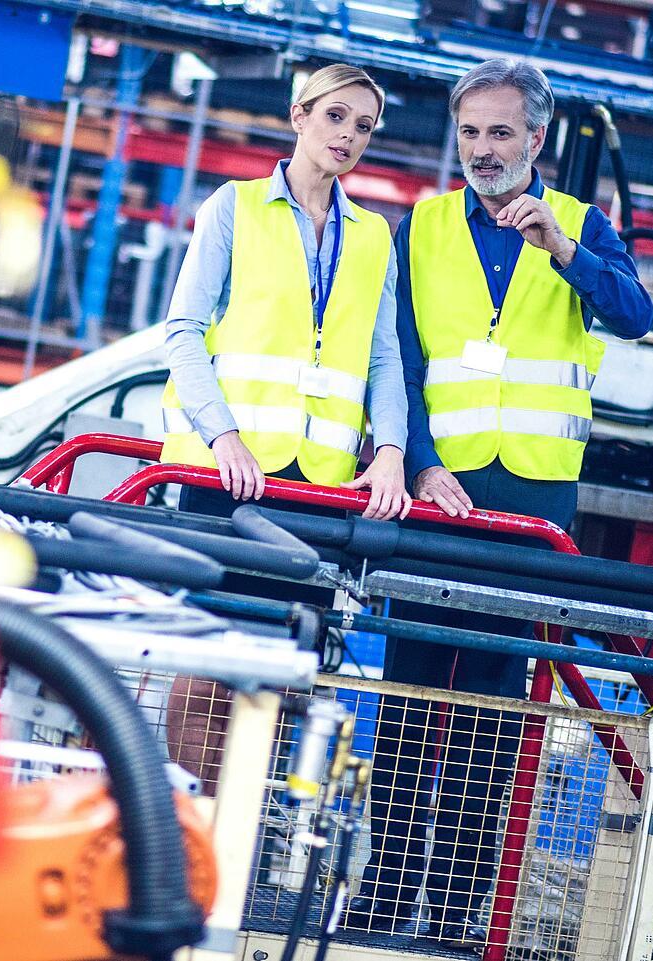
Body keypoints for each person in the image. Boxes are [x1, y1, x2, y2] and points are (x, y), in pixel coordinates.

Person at [349, 59, 653, 949]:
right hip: (438, 495)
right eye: (470, 132)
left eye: (499, 133)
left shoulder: (586, 228)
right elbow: (399, 357)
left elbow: (635, 315)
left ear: (537, 139)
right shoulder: (424, 225)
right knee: (409, 699)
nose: (482, 150)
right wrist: (423, 461)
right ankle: (382, 894)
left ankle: (454, 911)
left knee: (494, 708)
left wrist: (562, 247)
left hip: (530, 498)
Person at [158, 63, 411, 793]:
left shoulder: (373, 238)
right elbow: (182, 330)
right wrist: (222, 435)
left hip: (318, 495)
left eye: (363, 126)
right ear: (298, 115)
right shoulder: (233, 208)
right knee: (204, 681)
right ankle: (186, 851)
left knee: (277, 689)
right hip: (230, 482)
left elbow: (384, 356)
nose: (349, 136)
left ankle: (232, 856)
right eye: (336, 117)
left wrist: (389, 450)